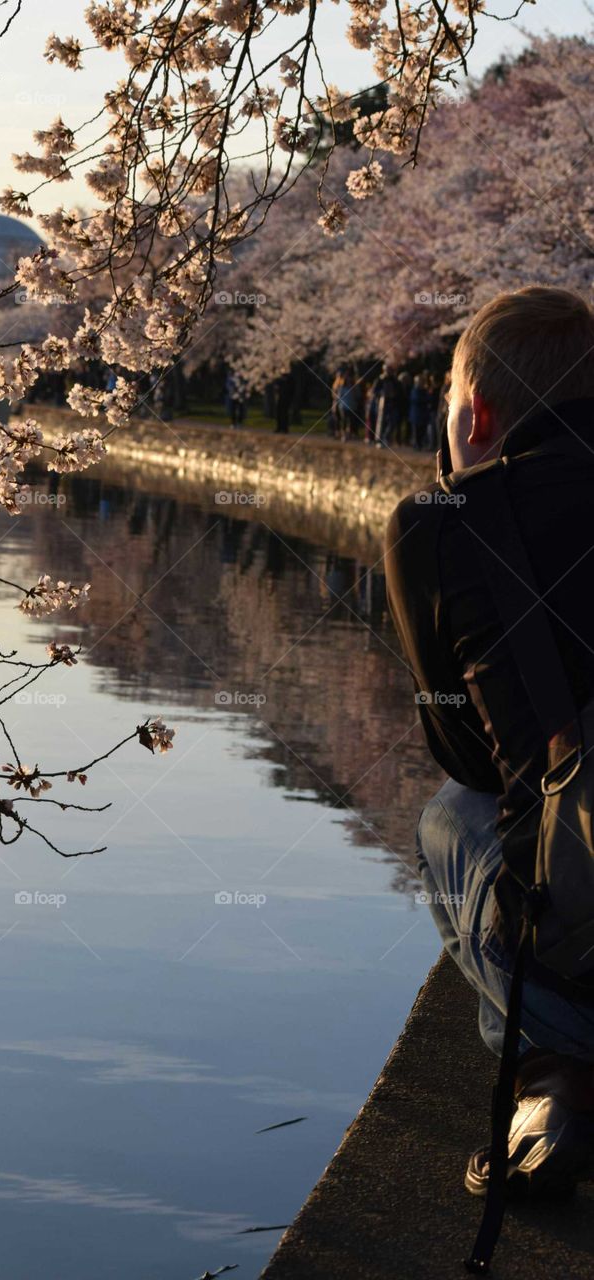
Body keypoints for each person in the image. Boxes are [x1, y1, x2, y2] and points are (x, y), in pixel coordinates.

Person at [385, 286, 594, 1208]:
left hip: (577, 951)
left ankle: (549, 1070)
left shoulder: (444, 522)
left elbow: (466, 757)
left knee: (451, 818)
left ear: (475, 413)